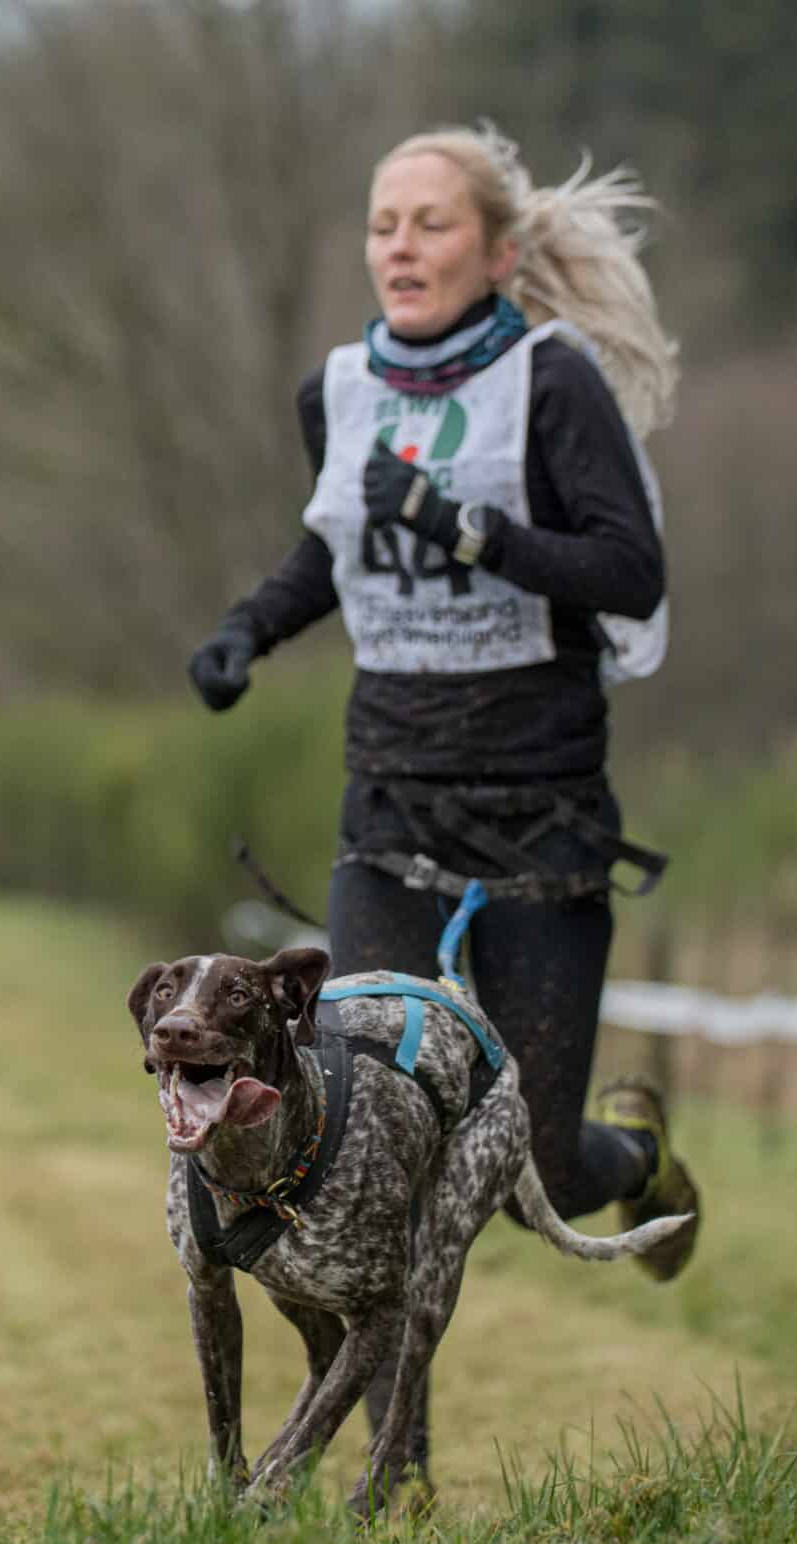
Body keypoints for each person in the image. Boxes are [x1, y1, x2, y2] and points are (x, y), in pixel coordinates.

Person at [188, 124, 701, 1474]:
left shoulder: (553, 383)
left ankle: (637, 1163)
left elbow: (629, 572)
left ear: (499, 250)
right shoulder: (341, 390)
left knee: (531, 1169)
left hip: (539, 821)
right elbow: (332, 546)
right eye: (383, 224)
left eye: (431, 223)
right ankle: (396, 1480)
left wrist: (469, 529)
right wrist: (247, 630)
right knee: (361, 1140)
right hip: (391, 817)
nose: (400, 247)